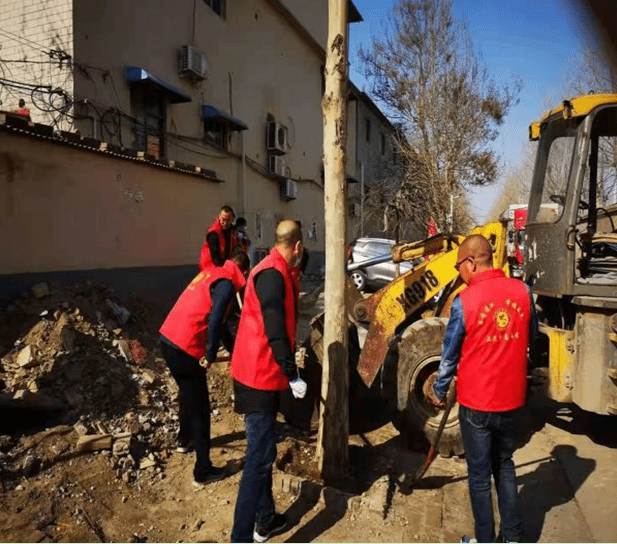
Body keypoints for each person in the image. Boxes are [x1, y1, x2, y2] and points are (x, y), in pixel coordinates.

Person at [424, 234, 537, 543]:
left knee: (478, 477)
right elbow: (534, 340)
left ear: (472, 262)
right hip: (512, 399)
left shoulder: (465, 301)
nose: (460, 272)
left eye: (460, 265)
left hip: (477, 404)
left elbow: (449, 354)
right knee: (505, 465)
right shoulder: (523, 292)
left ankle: (484, 540)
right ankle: (513, 537)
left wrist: (439, 388)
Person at [230, 220, 308, 543]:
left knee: (262, 454)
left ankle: (265, 521)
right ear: (299, 247)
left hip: (259, 371)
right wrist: (292, 373)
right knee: (258, 461)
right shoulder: (273, 276)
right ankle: (240, 538)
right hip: (258, 377)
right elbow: (275, 328)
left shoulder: (276, 269)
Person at [159, 251, 250, 487]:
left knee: (187, 394)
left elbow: (219, 325)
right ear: (245, 272)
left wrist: (233, 351)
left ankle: (184, 440)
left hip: (167, 339)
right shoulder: (227, 283)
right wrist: (209, 355)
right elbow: (215, 320)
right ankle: (203, 470)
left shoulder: (211, 273)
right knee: (201, 408)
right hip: (185, 347)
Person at [199, 205, 235, 271]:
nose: (225, 223)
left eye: (228, 220)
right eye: (223, 220)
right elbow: (216, 258)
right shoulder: (213, 233)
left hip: (220, 265)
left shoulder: (230, 231)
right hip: (209, 268)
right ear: (219, 217)